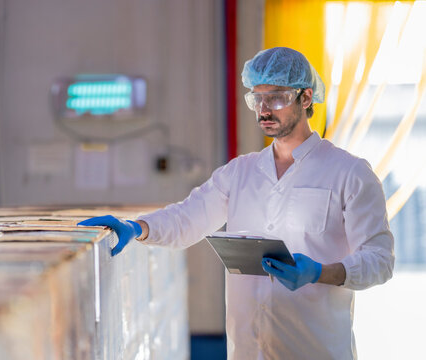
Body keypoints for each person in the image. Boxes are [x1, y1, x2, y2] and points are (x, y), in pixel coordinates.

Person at [78, 47, 394, 359]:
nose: (264, 110)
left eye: (276, 98)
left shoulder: (349, 173)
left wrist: (320, 272)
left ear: (306, 98)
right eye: (257, 99)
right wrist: (138, 227)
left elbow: (379, 260)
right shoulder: (241, 171)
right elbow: (187, 218)